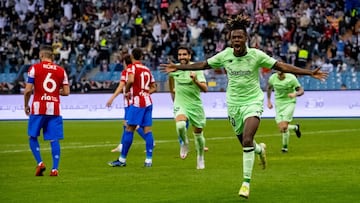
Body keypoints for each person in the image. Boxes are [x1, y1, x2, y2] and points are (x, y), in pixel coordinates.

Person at [161, 14, 328, 199]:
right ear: (230, 39)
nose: (236, 40)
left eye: (240, 37)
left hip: (253, 102)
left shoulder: (256, 55)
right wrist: (178, 67)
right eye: (233, 38)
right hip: (233, 104)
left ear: (246, 38)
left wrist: (309, 72)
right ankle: (260, 150)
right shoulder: (225, 55)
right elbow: (202, 64)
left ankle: (245, 183)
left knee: (248, 139)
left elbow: (281, 66)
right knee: (246, 144)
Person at [24, 44, 70, 176]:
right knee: (54, 139)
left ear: (41, 55)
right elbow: (66, 92)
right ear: (52, 56)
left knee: (32, 136)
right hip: (54, 109)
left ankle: (40, 163)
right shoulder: (61, 70)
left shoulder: (35, 68)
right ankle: (55, 169)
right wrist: (55, 92)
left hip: (38, 107)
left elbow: (28, 90)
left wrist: (26, 105)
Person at [108, 48, 157, 167]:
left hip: (137, 102)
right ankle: (148, 161)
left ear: (132, 56)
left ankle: (122, 160)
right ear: (141, 56)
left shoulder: (132, 67)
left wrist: (128, 90)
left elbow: (130, 80)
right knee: (147, 130)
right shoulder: (147, 69)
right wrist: (145, 92)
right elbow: (154, 87)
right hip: (148, 102)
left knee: (129, 128)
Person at [167, 46, 207, 169]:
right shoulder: (175, 69)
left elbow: (205, 89)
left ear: (189, 56)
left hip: (195, 105)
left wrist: (195, 80)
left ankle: (200, 157)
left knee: (198, 135)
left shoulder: (197, 68)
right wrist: (174, 98)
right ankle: (184, 143)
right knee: (180, 125)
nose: (182, 57)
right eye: (180, 55)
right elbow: (171, 83)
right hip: (181, 104)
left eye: (184, 54)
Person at [106, 54, 147, 153]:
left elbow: (121, 86)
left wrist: (112, 98)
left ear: (125, 62)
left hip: (130, 102)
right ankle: (121, 145)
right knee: (126, 124)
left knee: (132, 125)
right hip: (131, 101)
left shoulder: (126, 71)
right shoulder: (133, 70)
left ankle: (149, 141)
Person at [266, 71, 304, 153]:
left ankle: (284, 148)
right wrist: (268, 101)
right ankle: (295, 127)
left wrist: (295, 94)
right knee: (282, 128)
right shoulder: (273, 78)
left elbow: (301, 91)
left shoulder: (291, 78)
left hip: (289, 102)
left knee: (284, 127)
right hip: (278, 103)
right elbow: (269, 88)